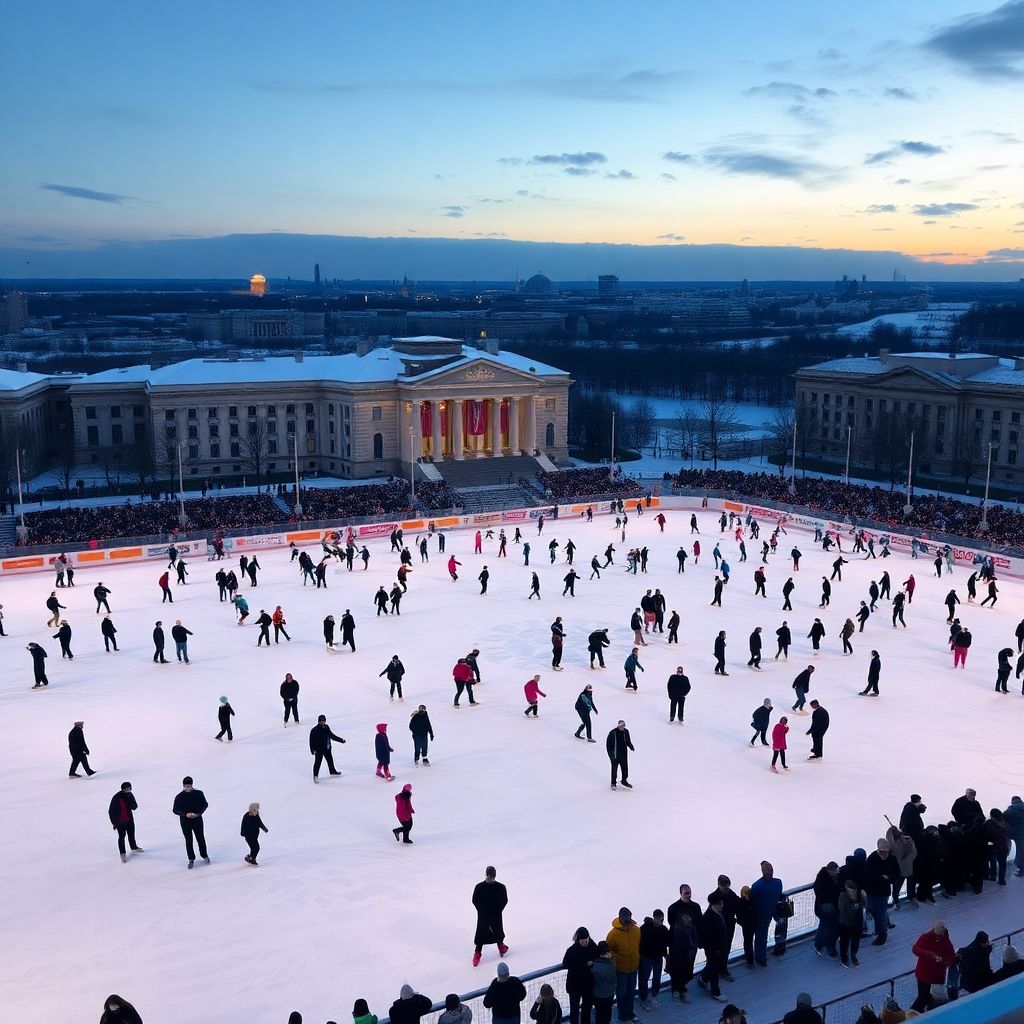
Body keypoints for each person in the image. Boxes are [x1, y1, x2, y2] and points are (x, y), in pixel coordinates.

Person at [911, 921, 955, 1012]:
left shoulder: (946, 943)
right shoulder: (926, 937)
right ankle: (912, 1014)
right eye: (937, 935)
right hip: (924, 973)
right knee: (923, 997)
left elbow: (950, 958)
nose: (938, 937)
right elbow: (915, 949)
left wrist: (942, 961)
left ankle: (914, 1014)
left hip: (935, 975)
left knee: (925, 996)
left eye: (940, 935)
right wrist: (931, 955)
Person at [606, 907, 641, 1023]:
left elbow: (638, 945)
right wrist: (618, 960)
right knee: (621, 993)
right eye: (625, 917)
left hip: (634, 967)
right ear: (620, 917)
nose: (627, 920)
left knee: (631, 992)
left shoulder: (637, 930)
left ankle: (630, 1012)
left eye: (629, 917)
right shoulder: (613, 934)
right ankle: (622, 1015)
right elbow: (608, 951)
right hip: (621, 969)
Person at [472, 866, 509, 965]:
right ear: (486, 875)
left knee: (498, 930)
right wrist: (482, 911)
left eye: (493, 876)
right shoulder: (479, 887)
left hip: (496, 914)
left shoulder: (500, 887)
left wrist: (498, 910)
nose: (492, 878)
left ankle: (501, 946)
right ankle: (477, 953)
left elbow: (504, 900)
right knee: (481, 933)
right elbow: (475, 900)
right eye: (490, 876)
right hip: (483, 915)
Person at [749, 861, 783, 966]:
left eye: (770, 869)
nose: (770, 871)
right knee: (762, 936)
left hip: (763, 915)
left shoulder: (757, 886)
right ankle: (762, 957)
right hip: (767, 915)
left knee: (761, 937)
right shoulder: (777, 883)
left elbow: (751, 901)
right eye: (768, 869)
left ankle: (760, 957)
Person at [172, 776, 209, 869]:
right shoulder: (179, 797)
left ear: (192, 785)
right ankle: (191, 858)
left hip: (197, 820)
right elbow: (175, 809)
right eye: (186, 786)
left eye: (189, 786)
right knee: (188, 840)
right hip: (185, 822)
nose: (187, 787)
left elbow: (205, 804)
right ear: (183, 785)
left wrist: (198, 813)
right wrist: (185, 814)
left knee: (200, 838)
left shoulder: (198, 793)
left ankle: (204, 855)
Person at [562, 927, 597, 1024]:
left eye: (587, 940)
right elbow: (565, 964)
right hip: (574, 985)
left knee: (587, 1007)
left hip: (588, 984)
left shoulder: (592, 946)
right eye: (583, 941)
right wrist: (584, 964)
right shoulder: (571, 950)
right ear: (578, 939)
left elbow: (598, 956)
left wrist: (593, 962)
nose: (585, 943)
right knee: (574, 1009)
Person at [638, 910, 669, 1009]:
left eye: (662, 920)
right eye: (659, 919)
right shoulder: (644, 928)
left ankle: (653, 995)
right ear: (654, 918)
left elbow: (666, 943)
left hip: (658, 957)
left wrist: (665, 955)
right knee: (644, 978)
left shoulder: (663, 929)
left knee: (657, 977)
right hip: (646, 957)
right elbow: (639, 942)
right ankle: (643, 998)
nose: (660, 921)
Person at [108, 781, 142, 863]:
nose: (128, 790)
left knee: (131, 835)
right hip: (120, 822)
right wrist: (114, 823)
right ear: (122, 789)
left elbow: (134, 807)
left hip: (129, 820)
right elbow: (111, 811)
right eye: (126, 789)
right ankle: (122, 853)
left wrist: (130, 798)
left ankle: (133, 847)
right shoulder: (116, 797)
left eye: (129, 788)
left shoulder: (130, 795)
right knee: (121, 837)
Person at [309, 714, 345, 782]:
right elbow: (311, 741)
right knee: (318, 763)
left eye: (324, 720)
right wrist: (312, 750)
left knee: (330, 760)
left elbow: (332, 736)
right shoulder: (314, 730)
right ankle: (315, 776)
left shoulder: (326, 727)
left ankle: (332, 771)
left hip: (327, 748)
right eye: (321, 721)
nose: (323, 722)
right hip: (319, 750)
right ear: (319, 721)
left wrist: (340, 740)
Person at [837, 879, 865, 967]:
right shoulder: (842, 896)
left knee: (856, 941)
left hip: (857, 922)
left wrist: (864, 898)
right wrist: (854, 907)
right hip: (845, 923)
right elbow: (842, 909)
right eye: (850, 891)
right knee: (844, 941)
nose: (852, 893)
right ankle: (844, 958)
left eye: (854, 891)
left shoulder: (860, 894)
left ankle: (853, 955)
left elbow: (865, 905)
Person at [606, 720, 635, 790]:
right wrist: (611, 755)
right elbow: (608, 745)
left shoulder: (626, 732)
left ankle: (624, 781)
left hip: (623, 753)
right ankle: (613, 783)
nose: (623, 727)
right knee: (614, 769)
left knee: (625, 768)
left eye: (624, 725)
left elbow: (628, 741)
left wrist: (631, 746)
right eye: (621, 725)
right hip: (615, 754)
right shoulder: (613, 733)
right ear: (618, 725)